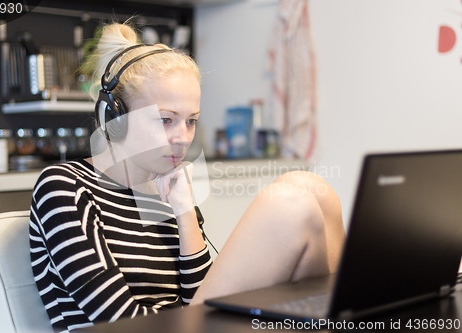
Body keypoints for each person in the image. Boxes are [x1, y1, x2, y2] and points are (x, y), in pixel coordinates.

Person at [29, 21, 346, 332]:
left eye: (191, 121)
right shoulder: (65, 187)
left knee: (315, 190)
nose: (182, 137)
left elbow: (195, 297)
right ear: (116, 117)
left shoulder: (167, 188)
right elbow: (118, 322)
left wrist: (184, 213)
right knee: (293, 203)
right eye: (165, 120)